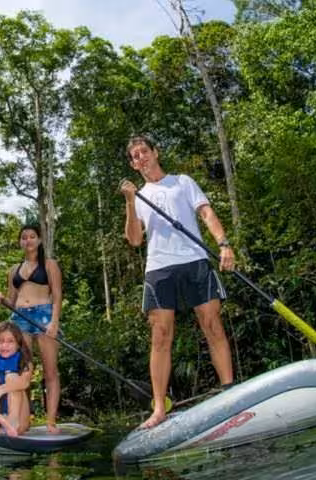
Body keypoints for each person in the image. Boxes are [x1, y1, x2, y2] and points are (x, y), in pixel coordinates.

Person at [119, 135, 235, 429]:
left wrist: (223, 244)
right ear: (133, 165)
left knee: (212, 325)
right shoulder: (140, 196)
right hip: (159, 268)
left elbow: (206, 212)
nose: (141, 157)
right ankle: (159, 408)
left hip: (194, 259)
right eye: (136, 156)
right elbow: (134, 240)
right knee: (160, 336)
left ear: (156, 152)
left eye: (145, 151)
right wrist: (131, 203)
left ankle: (230, 392)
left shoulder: (182, 182)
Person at [0, 224, 63, 433]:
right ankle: (23, 419)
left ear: (39, 240)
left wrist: (54, 322)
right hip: (20, 317)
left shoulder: (50, 265)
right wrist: (1, 300)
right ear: (20, 242)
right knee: (23, 371)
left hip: (44, 315)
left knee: (50, 371)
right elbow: (12, 302)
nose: (28, 240)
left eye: (32, 236)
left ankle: (50, 421)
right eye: (24, 237)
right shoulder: (14, 270)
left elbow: (58, 295)